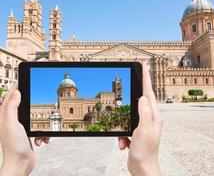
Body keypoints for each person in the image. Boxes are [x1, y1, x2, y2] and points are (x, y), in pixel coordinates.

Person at [0, 62, 163, 176]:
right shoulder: (65, 98)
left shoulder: (88, 102)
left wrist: (16, 165)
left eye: (70, 93)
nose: (68, 94)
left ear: (73, 92)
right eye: (66, 93)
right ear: (63, 94)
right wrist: (145, 167)